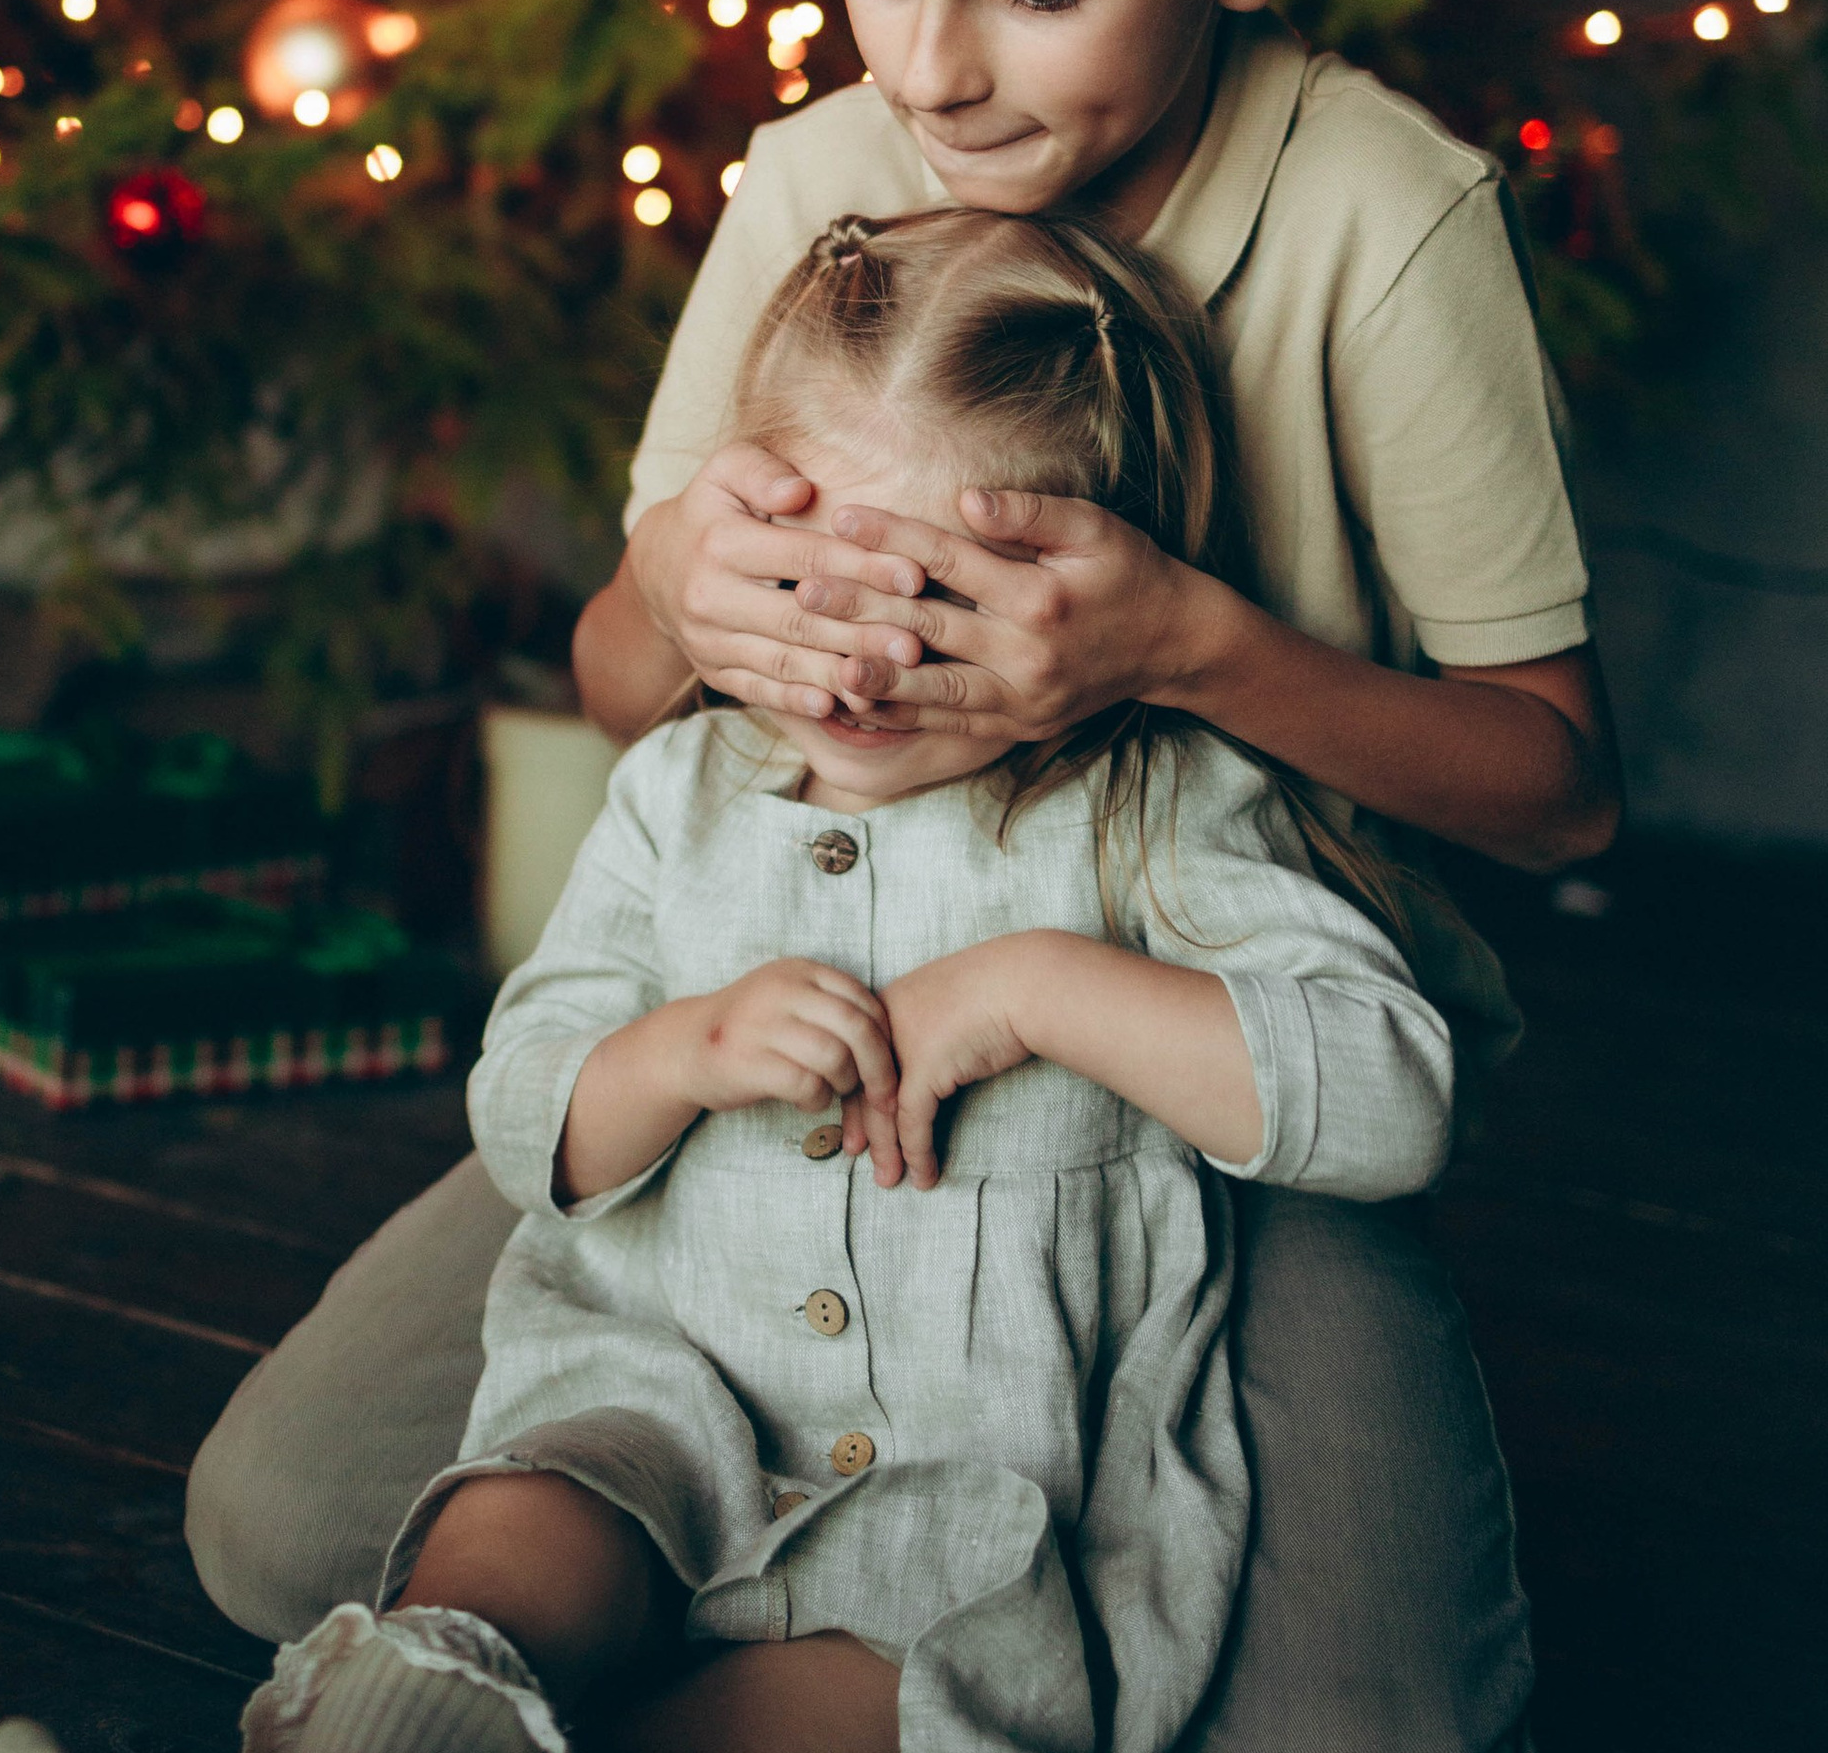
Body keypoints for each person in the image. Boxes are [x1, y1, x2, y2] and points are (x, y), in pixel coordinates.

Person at [190, 0, 1614, 1749]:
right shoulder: (822, 180)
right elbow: (617, 680)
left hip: (1206, 1037)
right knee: (280, 1525)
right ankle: (778, 1570)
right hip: (786, 1030)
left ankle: (879, 1616)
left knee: (1361, 1722)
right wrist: (682, 585)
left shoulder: (1374, 211)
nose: (929, 65)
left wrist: (1179, 645)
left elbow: (1552, 794)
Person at [239, 210, 1459, 1753]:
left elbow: (1390, 1096)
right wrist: (675, 1053)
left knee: (885, 1714)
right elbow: (524, 1110)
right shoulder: (683, 787)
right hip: (652, 1406)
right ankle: (429, 1691)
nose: (864, 669)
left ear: (1081, 595)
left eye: (941, 608)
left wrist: (1042, 990)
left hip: (976, 1519)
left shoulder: (1158, 807)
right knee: (522, 1538)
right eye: (813, 592)